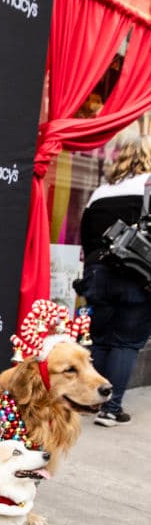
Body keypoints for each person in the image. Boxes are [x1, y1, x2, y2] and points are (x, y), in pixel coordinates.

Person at [79, 134, 151, 426]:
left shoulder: (101, 191)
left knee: (100, 340)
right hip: (137, 275)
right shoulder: (148, 185)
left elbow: (85, 236)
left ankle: (88, 402)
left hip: (98, 273)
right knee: (125, 343)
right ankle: (111, 409)